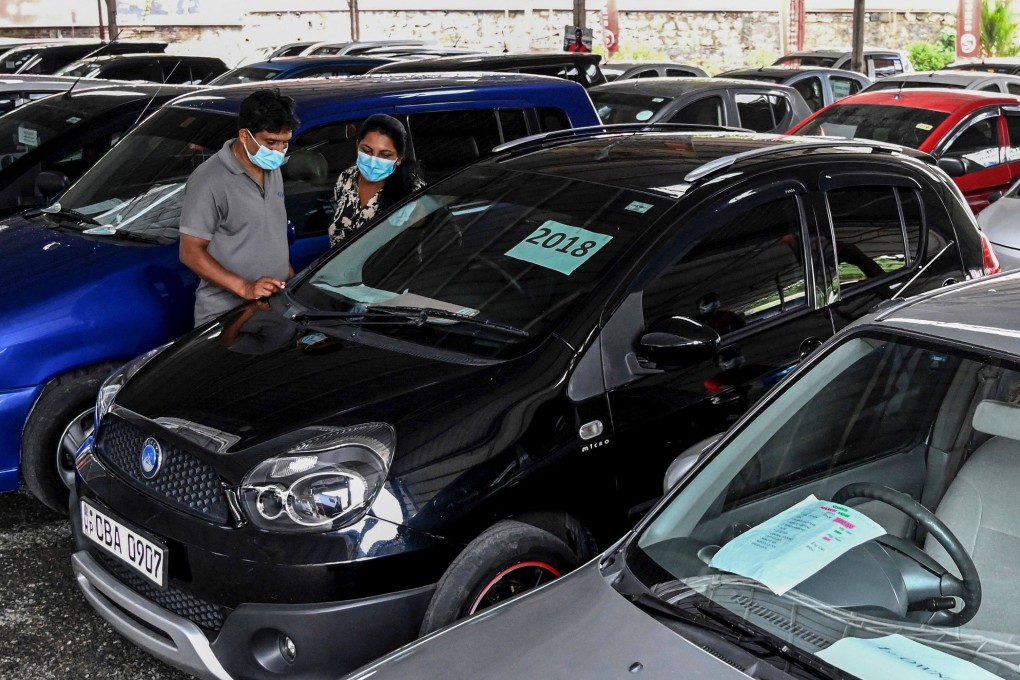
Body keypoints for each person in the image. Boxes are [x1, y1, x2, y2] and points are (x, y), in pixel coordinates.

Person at [179, 88, 300, 326]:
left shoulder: (273, 169)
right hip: (225, 317)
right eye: (271, 142)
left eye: (284, 143)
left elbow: (268, 235)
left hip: (271, 308)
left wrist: (294, 282)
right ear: (245, 136)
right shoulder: (209, 179)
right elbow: (190, 252)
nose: (278, 151)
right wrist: (245, 287)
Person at [328, 113, 424, 247]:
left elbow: (424, 233)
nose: (373, 161)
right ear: (357, 146)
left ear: (399, 158)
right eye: (367, 151)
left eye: (385, 155)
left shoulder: (412, 192)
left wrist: (418, 216)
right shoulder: (347, 177)